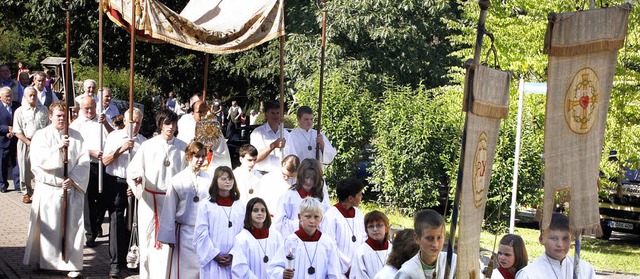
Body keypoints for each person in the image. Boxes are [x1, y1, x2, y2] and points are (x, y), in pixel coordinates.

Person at [23, 102, 90, 278]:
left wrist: (73, 178)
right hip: (49, 189)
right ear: (51, 116)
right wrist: (58, 148)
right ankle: (48, 262)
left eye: (64, 116)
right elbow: (37, 161)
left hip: (70, 189)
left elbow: (84, 161)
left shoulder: (76, 136)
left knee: (72, 229)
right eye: (58, 116)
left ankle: (72, 263)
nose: (61, 119)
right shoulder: (41, 136)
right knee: (49, 228)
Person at [126, 108, 188, 278]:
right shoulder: (148, 145)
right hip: (150, 202)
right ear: (160, 125)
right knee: (149, 243)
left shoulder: (183, 148)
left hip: (172, 203)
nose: (170, 127)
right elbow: (134, 168)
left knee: (169, 244)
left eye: (173, 123)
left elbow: (188, 174)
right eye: (167, 123)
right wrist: (137, 178)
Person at [101, 107, 146, 278]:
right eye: (132, 122)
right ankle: (115, 264)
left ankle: (131, 258)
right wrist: (121, 149)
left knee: (134, 223)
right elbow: (105, 161)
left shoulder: (143, 141)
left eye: (138, 123)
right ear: (125, 121)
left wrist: (136, 183)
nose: (135, 127)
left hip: (134, 185)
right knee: (116, 221)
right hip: (116, 182)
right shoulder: (114, 136)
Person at [159, 141, 212, 279]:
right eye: (197, 156)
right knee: (183, 271)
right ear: (189, 156)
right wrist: (168, 235)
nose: (200, 160)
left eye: (203, 156)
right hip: (183, 231)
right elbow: (169, 208)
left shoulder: (209, 179)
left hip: (203, 231)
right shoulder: (177, 180)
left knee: (202, 269)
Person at [69, 96, 112, 248]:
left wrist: (106, 123)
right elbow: (75, 147)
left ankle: (98, 223)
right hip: (87, 164)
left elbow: (113, 135)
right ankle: (90, 234)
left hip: (104, 164)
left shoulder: (102, 121)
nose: (89, 111)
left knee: (104, 199)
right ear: (81, 109)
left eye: (91, 107)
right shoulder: (76, 125)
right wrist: (91, 152)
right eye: (86, 108)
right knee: (88, 200)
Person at [266, 196, 342, 279]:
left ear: (321, 219)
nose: (312, 221)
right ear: (300, 217)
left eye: (316, 217)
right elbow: (273, 268)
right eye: (308, 216)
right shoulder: (290, 241)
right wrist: (282, 273)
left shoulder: (327, 242)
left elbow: (334, 273)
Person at [194, 166, 246, 278]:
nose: (228, 181)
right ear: (215, 181)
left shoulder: (240, 205)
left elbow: (243, 233)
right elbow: (201, 233)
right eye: (223, 179)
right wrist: (214, 254)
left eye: (230, 178)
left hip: (234, 259)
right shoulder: (206, 205)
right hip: (212, 260)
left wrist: (233, 254)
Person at [515, 213, 596, 279]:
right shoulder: (529, 274)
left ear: (571, 239)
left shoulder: (585, 270)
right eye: (554, 238)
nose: (560, 244)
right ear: (541, 239)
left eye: (565, 238)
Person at [275, 158, 331, 245]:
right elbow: (279, 223)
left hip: (316, 242)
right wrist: (301, 224)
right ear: (300, 176)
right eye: (306, 177)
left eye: (312, 179)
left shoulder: (321, 197)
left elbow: (327, 220)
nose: (308, 182)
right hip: (295, 242)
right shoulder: (289, 196)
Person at [321, 177, 367, 277]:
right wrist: (347, 267)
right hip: (337, 269)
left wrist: (358, 265)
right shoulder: (331, 215)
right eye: (359, 194)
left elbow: (364, 239)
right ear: (350, 198)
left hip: (358, 268)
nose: (361, 197)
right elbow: (330, 244)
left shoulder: (359, 214)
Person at [230, 197, 284, 279]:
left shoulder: (276, 236)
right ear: (249, 213)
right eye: (255, 210)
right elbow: (239, 268)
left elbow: (281, 261)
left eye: (263, 210)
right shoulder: (242, 239)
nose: (260, 213)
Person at [394, 209, 456, 279]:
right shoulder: (407, 272)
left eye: (439, 238)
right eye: (429, 238)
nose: (435, 244)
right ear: (417, 238)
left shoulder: (453, 261)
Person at [13, 87, 50, 203]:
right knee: (25, 168)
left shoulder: (44, 110)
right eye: (30, 95)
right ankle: (26, 193)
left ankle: (41, 191)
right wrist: (28, 142)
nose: (33, 97)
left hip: (41, 143)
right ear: (24, 96)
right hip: (25, 142)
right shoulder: (20, 111)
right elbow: (17, 131)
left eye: (34, 95)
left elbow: (48, 127)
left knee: (42, 168)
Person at [177, 100, 231, 169]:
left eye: (204, 112)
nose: (202, 114)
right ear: (193, 113)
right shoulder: (187, 126)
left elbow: (220, 150)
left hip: (208, 166)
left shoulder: (213, 128)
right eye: (199, 112)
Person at [250, 101, 295, 173]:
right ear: (266, 114)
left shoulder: (286, 133)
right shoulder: (258, 133)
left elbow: (293, 156)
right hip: (262, 174)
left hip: (282, 174)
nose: (276, 116)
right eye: (272, 113)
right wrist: (273, 146)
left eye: (278, 113)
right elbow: (255, 158)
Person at [350, 210, 391, 279]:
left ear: (386, 228)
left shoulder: (394, 249)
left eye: (379, 225)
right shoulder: (361, 252)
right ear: (366, 230)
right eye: (371, 226)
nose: (375, 229)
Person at [0, 87, 20, 193]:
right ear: (0, 97)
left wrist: (14, 130)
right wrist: (7, 129)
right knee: (2, 164)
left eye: (10, 95)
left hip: (16, 139)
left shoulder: (17, 105)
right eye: (6, 96)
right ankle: (2, 184)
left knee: (17, 163)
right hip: (3, 140)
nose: (9, 98)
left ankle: (18, 185)